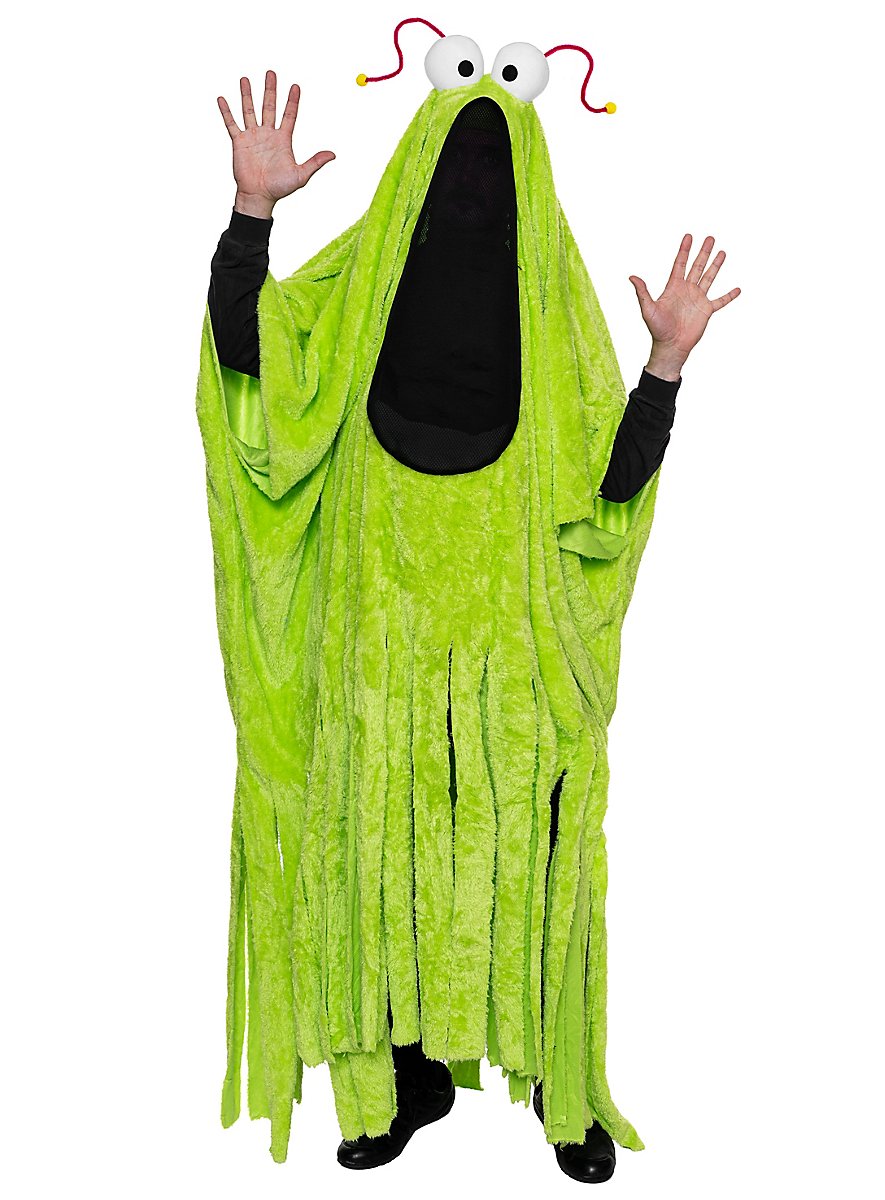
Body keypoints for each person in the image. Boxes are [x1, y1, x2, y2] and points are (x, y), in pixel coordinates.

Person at [196, 48, 740, 1185]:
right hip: (374, 631)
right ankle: (396, 1080)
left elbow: (607, 484)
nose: (470, 201)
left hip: (514, 648)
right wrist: (252, 215)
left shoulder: (558, 321)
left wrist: (664, 367)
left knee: (532, 839)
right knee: (367, 840)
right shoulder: (354, 289)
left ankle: (559, 1088)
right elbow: (253, 360)